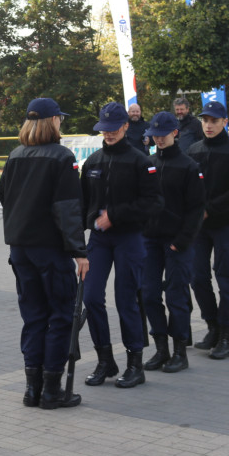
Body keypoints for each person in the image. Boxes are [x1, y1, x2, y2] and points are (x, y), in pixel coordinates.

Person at [0, 97, 88, 410]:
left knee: (33, 318)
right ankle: (51, 389)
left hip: (21, 250)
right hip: (50, 249)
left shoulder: (16, 154)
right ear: (52, 122)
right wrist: (80, 251)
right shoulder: (62, 157)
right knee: (60, 317)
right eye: (59, 118)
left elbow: (2, 194)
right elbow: (68, 209)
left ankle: (31, 389)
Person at [80, 102, 162, 389]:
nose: (109, 134)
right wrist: (79, 238)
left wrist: (115, 216)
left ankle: (134, 363)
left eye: (114, 128)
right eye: (104, 129)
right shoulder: (93, 162)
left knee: (126, 299)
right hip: (100, 239)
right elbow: (83, 205)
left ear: (126, 126)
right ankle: (105, 360)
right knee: (90, 298)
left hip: (130, 236)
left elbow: (153, 203)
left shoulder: (142, 161)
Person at [188, 101, 229, 361]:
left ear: (225, 122)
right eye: (205, 120)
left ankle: (227, 334)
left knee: (226, 277)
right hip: (200, 228)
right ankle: (212, 326)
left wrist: (210, 209)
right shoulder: (194, 150)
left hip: (227, 224)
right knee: (198, 277)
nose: (208, 125)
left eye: (214, 120)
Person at [140, 111, 204, 374]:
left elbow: (197, 208)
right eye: (155, 135)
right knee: (149, 295)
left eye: (163, 134)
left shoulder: (189, 166)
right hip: (150, 241)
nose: (159, 139)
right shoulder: (149, 162)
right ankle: (161, 349)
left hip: (178, 241)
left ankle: (179, 350)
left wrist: (183, 240)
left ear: (174, 133)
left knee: (176, 295)